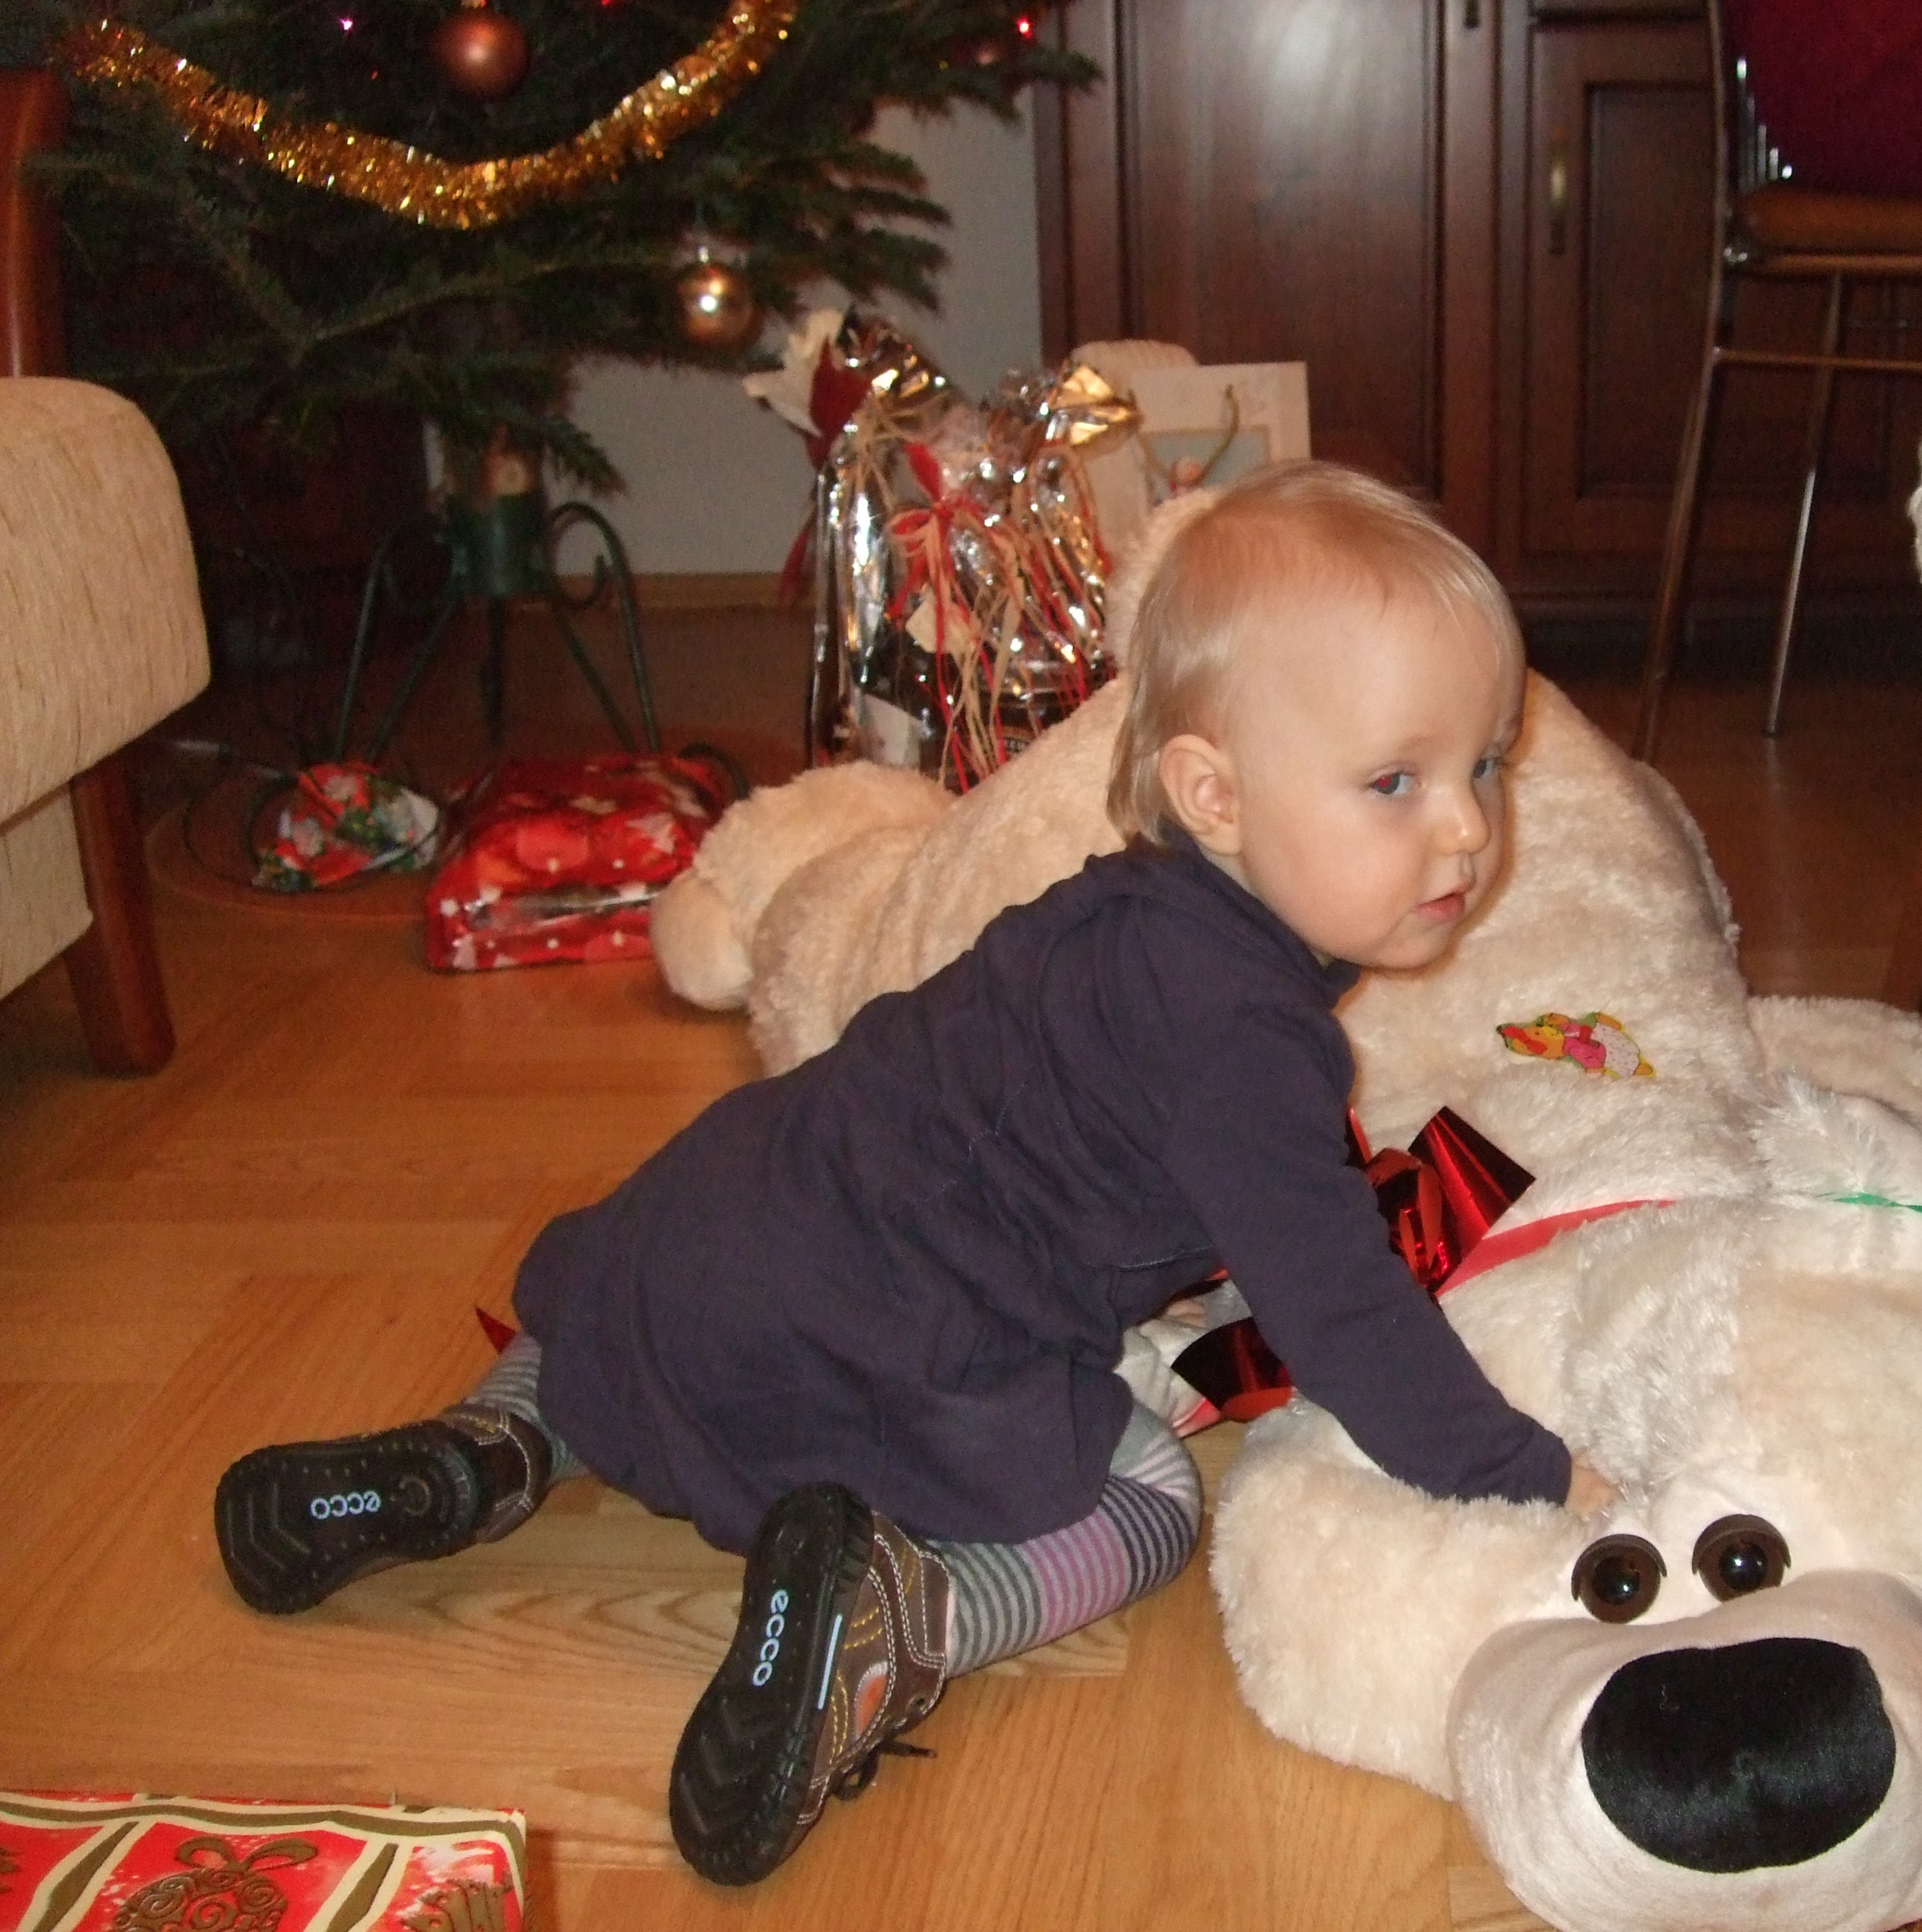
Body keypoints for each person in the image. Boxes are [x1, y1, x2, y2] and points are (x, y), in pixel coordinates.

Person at [211, 461, 1612, 1887]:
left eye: (1486, 764)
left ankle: (486, 1449)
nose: (1465, 827)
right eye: (1396, 782)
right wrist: (1527, 1472)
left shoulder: (1113, 914)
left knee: (602, 1317)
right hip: (881, 1333)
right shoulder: (1246, 1043)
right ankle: (909, 1617)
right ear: (1214, 794)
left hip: (715, 1209)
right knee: (1149, 1502)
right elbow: (1345, 1316)